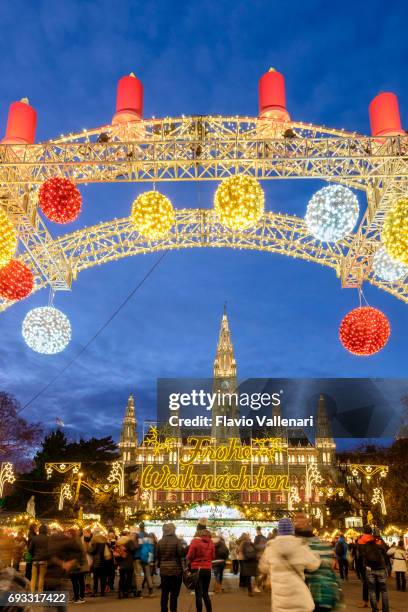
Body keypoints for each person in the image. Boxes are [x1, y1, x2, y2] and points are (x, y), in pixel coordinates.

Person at [259, 517, 320, 612]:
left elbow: (263, 567)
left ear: (279, 531)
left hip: (280, 603)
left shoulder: (270, 548)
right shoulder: (300, 546)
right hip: (300, 601)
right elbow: (314, 565)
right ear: (292, 530)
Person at [294, 513, 340, 611]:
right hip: (326, 592)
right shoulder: (323, 544)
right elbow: (330, 566)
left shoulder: (298, 546)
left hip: (310, 594)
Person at [358, 525, 389, 612]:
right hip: (381, 567)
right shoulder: (377, 540)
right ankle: (385, 609)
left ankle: (373, 608)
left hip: (369, 567)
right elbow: (386, 551)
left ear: (364, 531)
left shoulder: (361, 541)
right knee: (383, 590)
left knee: (371, 589)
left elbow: (360, 555)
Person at [157, 523, 186, 612]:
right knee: (174, 593)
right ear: (173, 530)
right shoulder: (177, 541)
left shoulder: (160, 541)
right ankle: (173, 610)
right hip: (175, 570)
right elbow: (181, 553)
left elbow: (157, 556)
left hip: (164, 570)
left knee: (164, 593)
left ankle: (163, 610)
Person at [187, 528, 215, 612]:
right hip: (207, 569)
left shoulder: (195, 542)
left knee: (198, 593)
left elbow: (190, 556)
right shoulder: (211, 543)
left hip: (196, 569)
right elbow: (213, 556)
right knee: (205, 593)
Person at [66, 528, 89, 603]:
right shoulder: (74, 540)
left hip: (77, 564)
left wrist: (78, 562)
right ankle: (78, 596)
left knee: (77, 581)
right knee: (77, 581)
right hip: (76, 563)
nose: (67, 534)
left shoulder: (75, 541)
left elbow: (79, 553)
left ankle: (78, 597)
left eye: (68, 533)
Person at [88, 529, 111, 596]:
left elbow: (92, 552)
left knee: (96, 578)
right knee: (103, 578)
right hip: (105, 563)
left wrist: (88, 548)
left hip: (97, 563)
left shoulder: (96, 544)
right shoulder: (106, 544)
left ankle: (95, 591)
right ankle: (102, 592)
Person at [113, 530, 135, 599]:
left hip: (121, 562)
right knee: (129, 578)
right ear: (127, 534)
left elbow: (115, 551)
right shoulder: (129, 541)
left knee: (122, 578)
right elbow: (133, 550)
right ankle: (127, 591)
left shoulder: (118, 542)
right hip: (129, 562)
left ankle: (120, 591)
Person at [28, 524, 49, 592]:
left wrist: (33, 555)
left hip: (35, 560)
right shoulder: (48, 538)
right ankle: (40, 593)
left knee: (33, 577)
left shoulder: (35, 538)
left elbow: (30, 549)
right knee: (41, 577)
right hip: (44, 560)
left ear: (39, 530)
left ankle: (32, 592)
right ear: (46, 530)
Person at [254, 526, 267, 592]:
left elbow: (255, 547)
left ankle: (258, 585)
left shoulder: (257, 538)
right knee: (264, 572)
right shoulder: (264, 538)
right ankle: (262, 584)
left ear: (257, 530)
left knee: (260, 572)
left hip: (259, 556)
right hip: (264, 556)